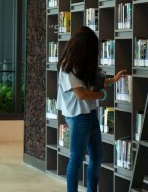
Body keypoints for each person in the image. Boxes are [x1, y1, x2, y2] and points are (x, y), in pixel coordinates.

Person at [56, 26, 126, 192]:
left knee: (97, 155)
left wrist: (113, 80)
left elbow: (94, 80)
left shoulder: (81, 64)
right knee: (77, 157)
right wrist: (101, 96)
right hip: (79, 115)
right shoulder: (69, 67)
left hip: (89, 113)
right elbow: (81, 94)